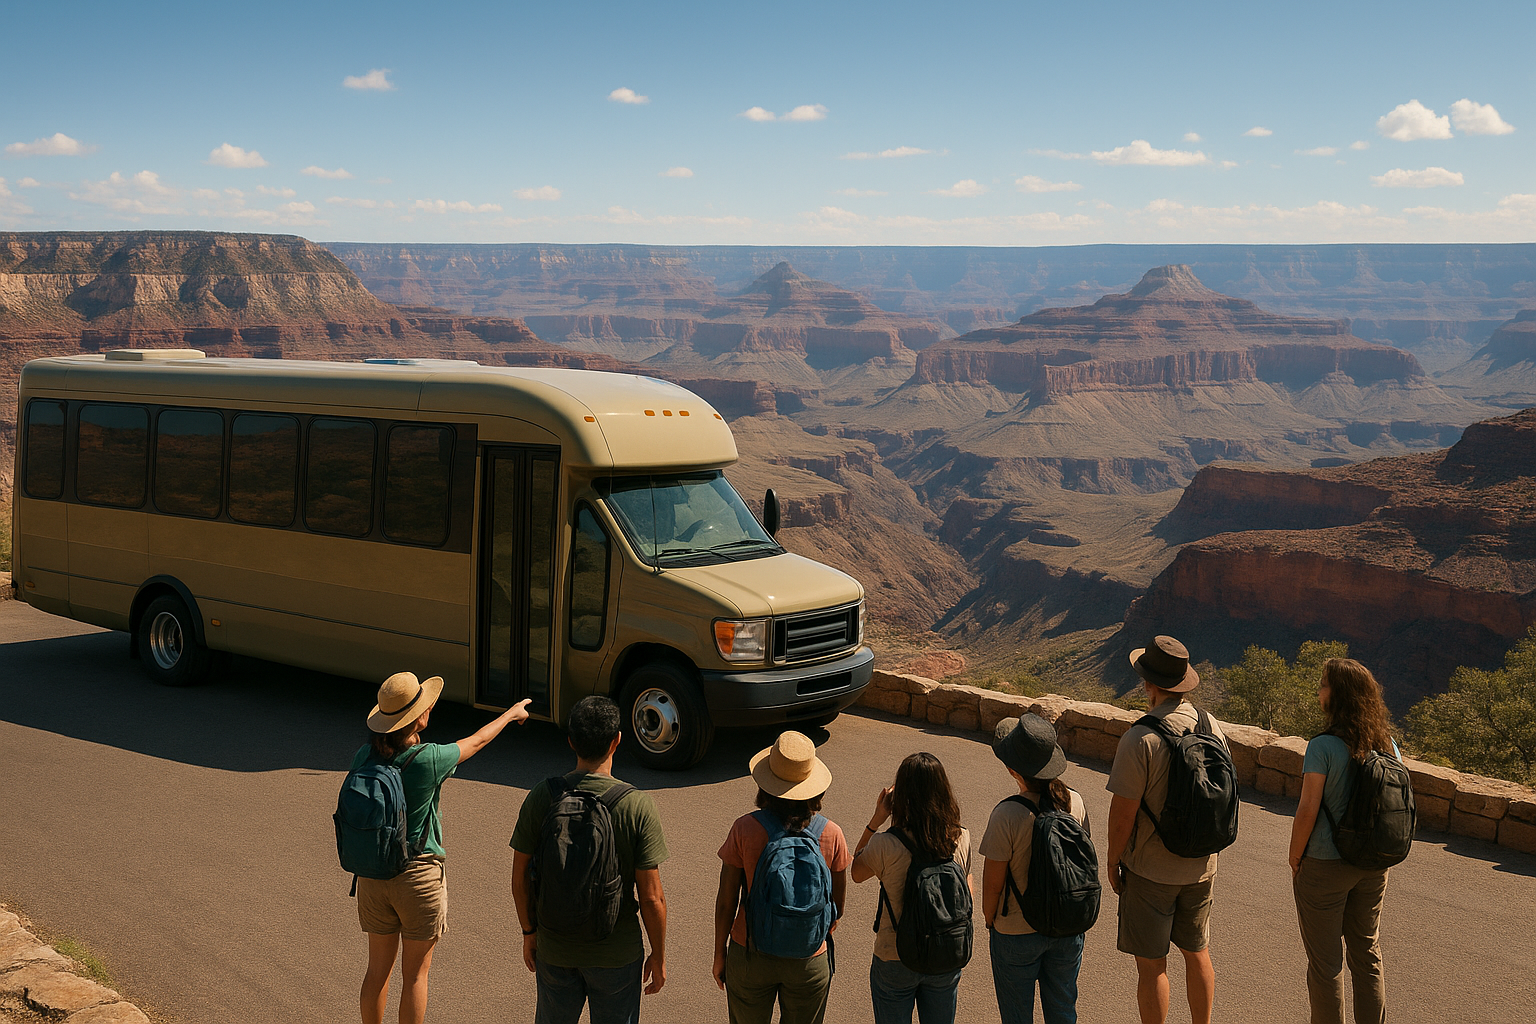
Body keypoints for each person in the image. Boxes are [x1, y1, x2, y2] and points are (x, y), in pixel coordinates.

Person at [355, 672, 532, 1024]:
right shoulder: (428, 759)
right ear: (419, 716)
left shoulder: (364, 755)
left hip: (372, 873)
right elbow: (478, 740)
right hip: (418, 877)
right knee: (416, 975)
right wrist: (512, 714)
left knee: (377, 971)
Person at [510, 695, 669, 1024]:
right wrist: (658, 955)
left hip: (554, 948)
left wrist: (529, 933)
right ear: (617, 741)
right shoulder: (637, 805)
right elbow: (652, 897)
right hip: (616, 953)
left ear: (570, 742)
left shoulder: (543, 795)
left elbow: (520, 877)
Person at [1105, 636, 1228, 1024]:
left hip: (1151, 870)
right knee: (1198, 952)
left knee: (1153, 966)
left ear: (1148, 684)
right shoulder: (1213, 727)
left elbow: (1122, 815)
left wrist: (1112, 862)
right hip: (1202, 865)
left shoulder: (1140, 738)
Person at [1288, 658, 1400, 1024]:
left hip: (1324, 864)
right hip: (1374, 864)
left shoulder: (1321, 747)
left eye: (1323, 685)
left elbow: (1308, 808)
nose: (1319, 691)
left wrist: (1295, 857)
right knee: (1367, 955)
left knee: (1325, 965)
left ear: (1337, 695)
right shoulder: (1389, 747)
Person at [713, 731, 851, 1024]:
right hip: (809, 960)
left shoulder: (744, 829)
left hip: (750, 952)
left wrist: (719, 955)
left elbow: (727, 902)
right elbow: (836, 907)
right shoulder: (832, 834)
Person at [981, 715, 1092, 1024]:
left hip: (1016, 930)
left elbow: (993, 884)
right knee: (1062, 1009)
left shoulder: (1007, 814)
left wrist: (991, 920)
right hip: (1067, 925)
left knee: (1016, 1016)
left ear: (1014, 770)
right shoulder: (1075, 802)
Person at [852, 752, 974, 1024]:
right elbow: (967, 893)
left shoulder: (886, 843)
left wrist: (877, 819)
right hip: (945, 952)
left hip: (894, 954)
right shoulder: (960, 837)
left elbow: (856, 872)